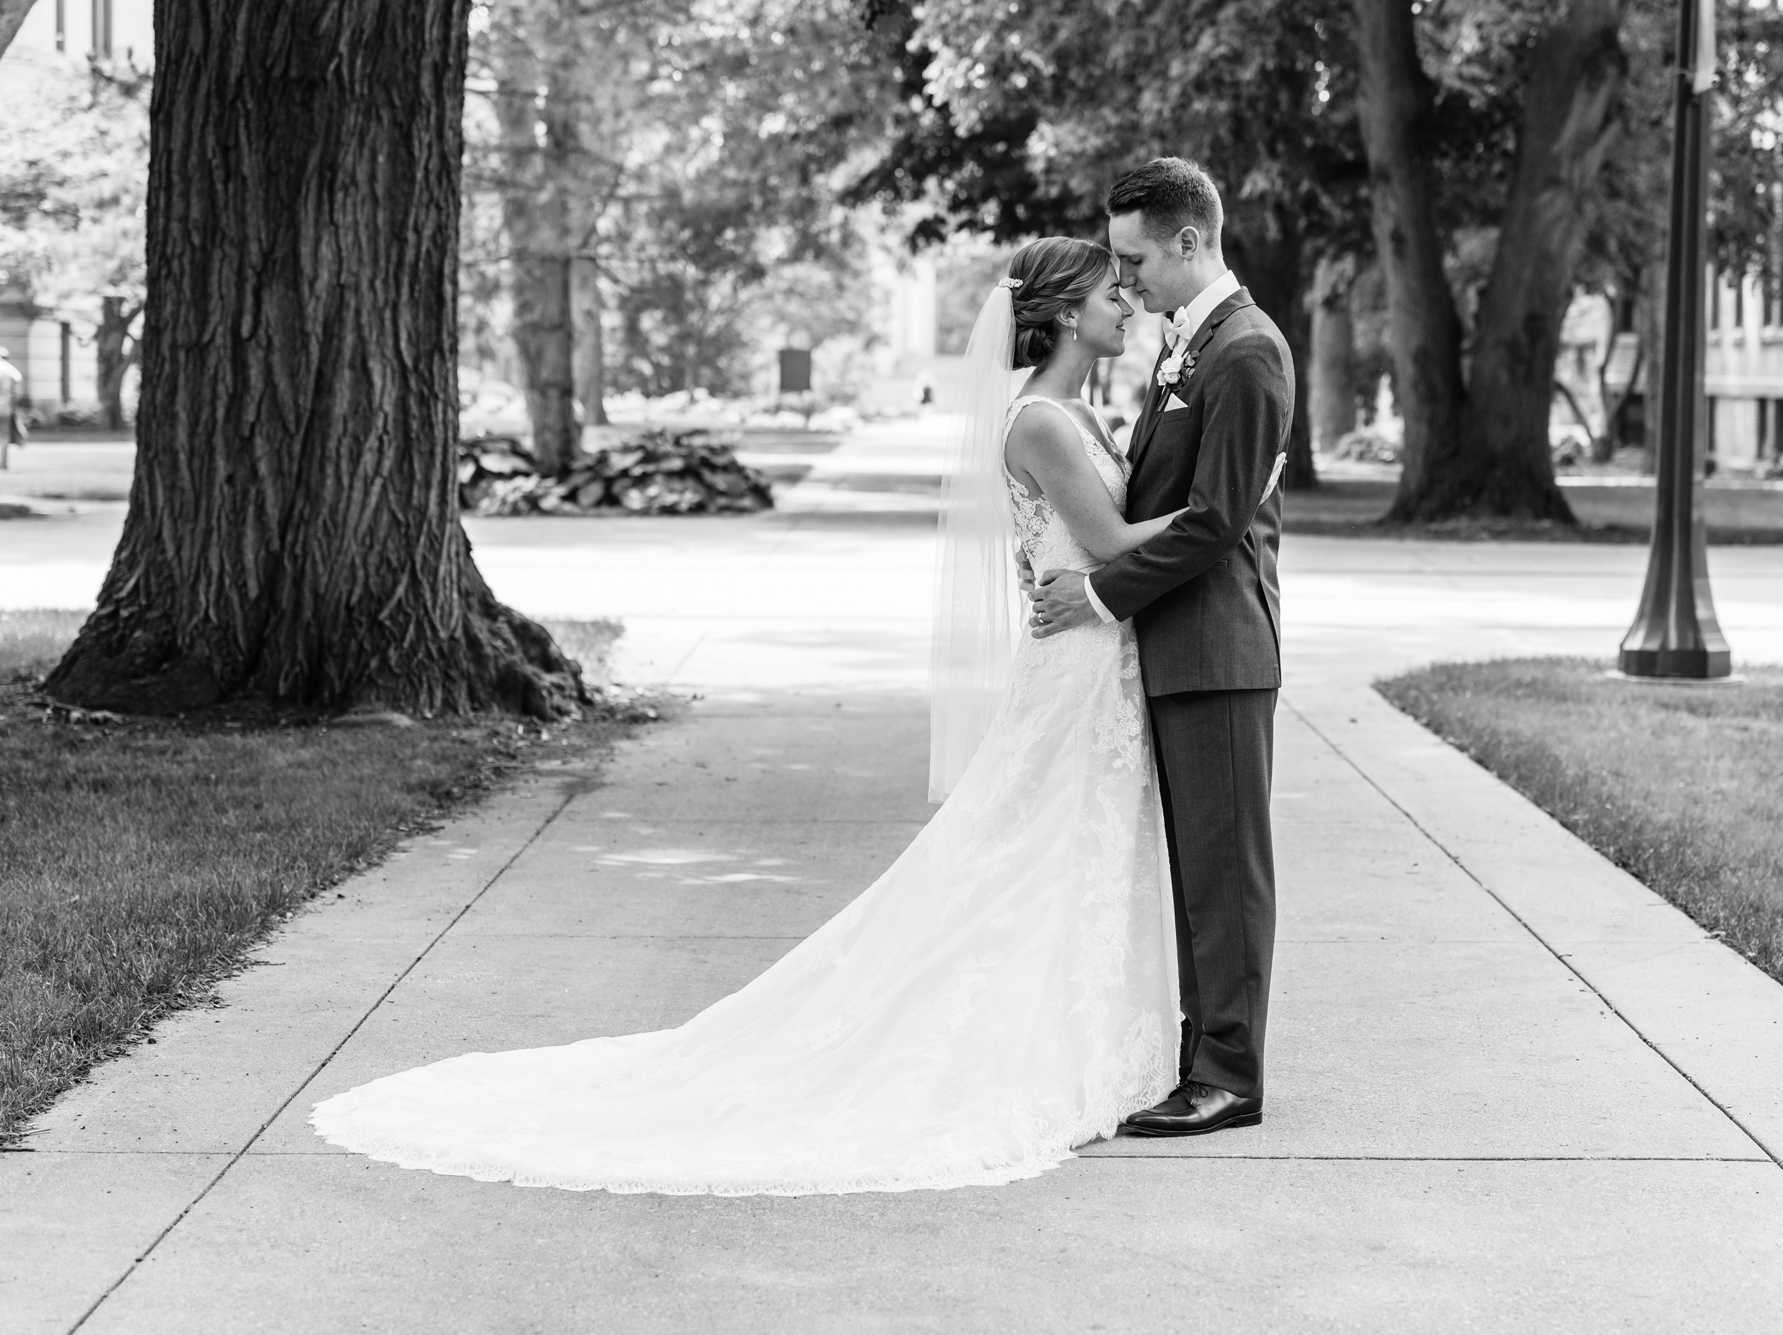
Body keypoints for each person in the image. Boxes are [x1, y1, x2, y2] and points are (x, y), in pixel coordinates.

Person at [312, 234, 1194, 1195]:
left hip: (1095, 659)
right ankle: (1016, 1044)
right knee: (1028, 853)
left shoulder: (1083, 413)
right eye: (1115, 291)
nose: (1129, 303)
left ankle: (1079, 1027)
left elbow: (1071, 548)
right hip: (1072, 673)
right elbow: (1105, 539)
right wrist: (1227, 508)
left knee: (1068, 852)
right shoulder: (1043, 424)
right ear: (1066, 311)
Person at [1029, 157, 1295, 1138]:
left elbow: (1216, 521)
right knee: (1195, 867)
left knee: (1225, 874)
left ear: (1190, 240)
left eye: (1134, 259)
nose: (1126, 279)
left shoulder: (1244, 352)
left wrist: (1096, 594)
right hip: (1177, 648)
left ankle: (1227, 1078)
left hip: (1218, 653)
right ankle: (1198, 1056)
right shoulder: (1195, 347)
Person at [0, 346, 23, 469]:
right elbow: (18, 392)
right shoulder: (11, 370)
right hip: (5, 409)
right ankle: (2, 463)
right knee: (3, 437)